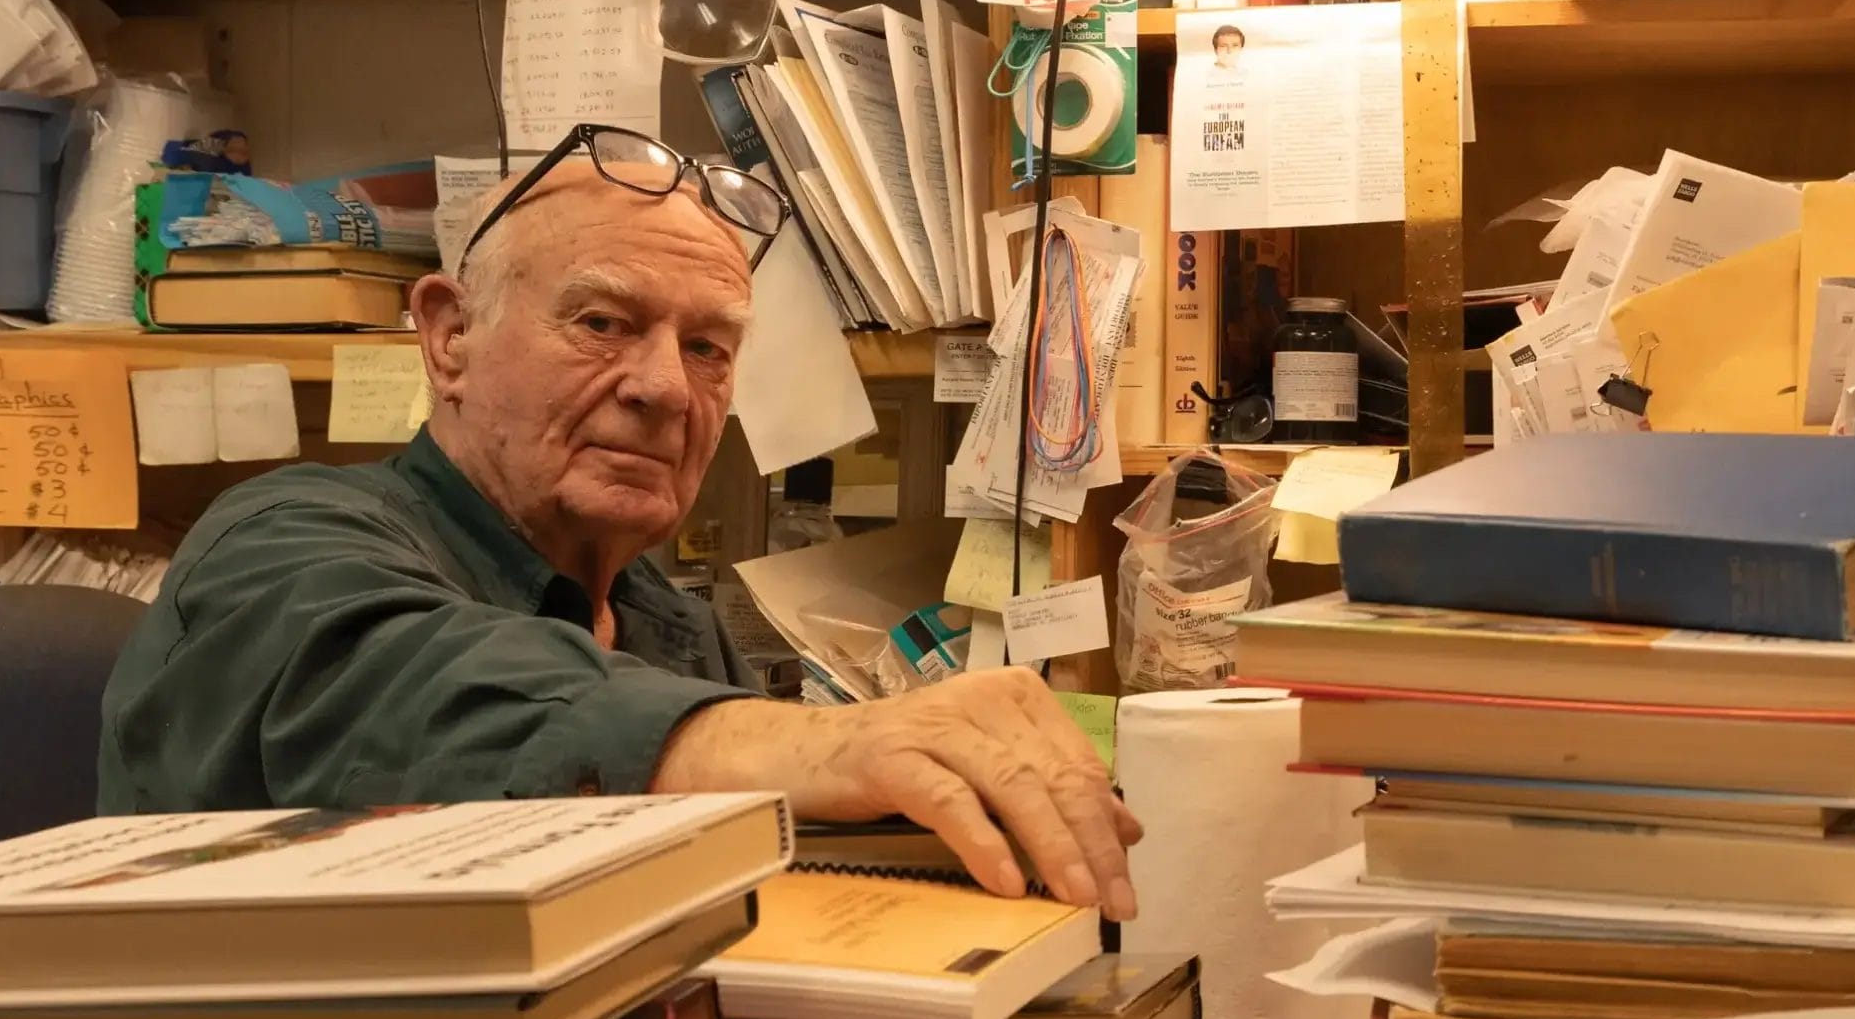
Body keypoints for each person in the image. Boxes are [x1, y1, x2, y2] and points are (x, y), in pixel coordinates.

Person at [100, 126, 1140, 922]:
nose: (665, 390)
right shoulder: (280, 541)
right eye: (603, 323)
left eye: (708, 349)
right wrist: (837, 740)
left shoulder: (663, 620)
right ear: (450, 338)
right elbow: (428, 694)